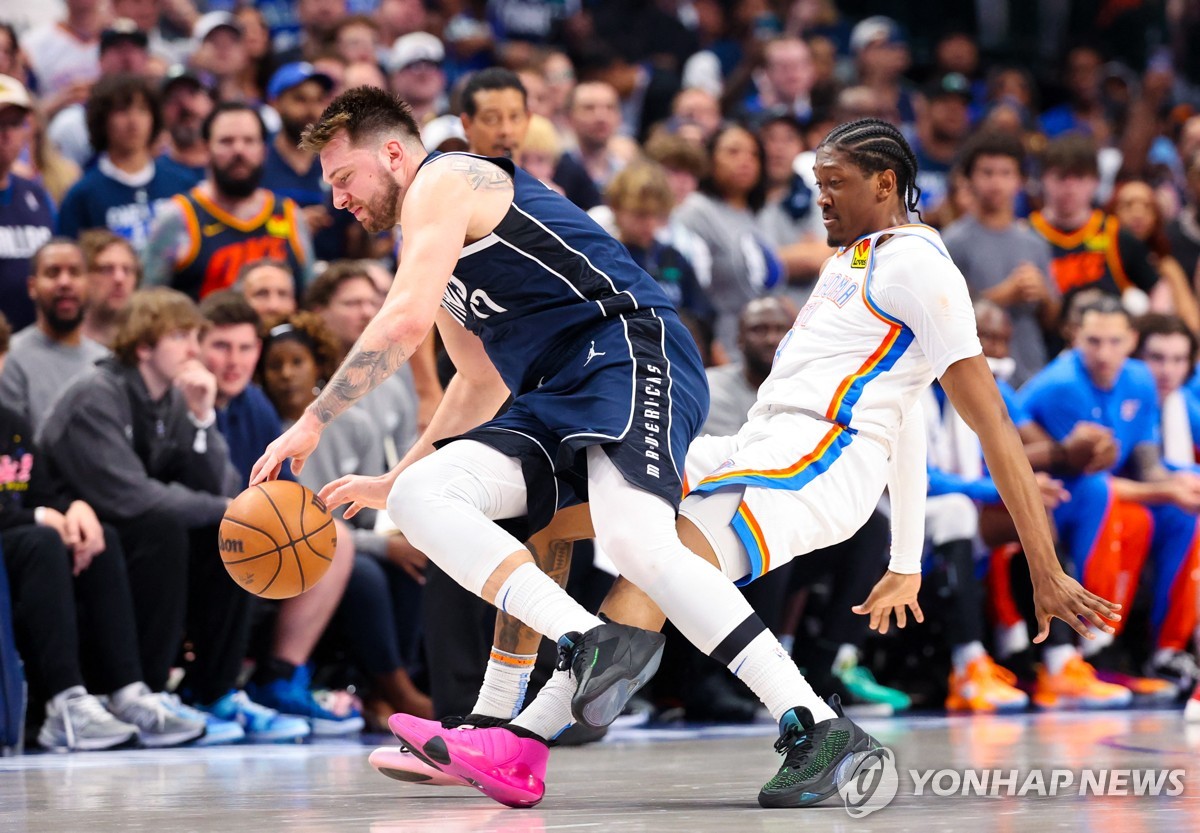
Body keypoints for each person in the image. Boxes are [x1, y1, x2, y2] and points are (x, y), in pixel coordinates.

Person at [263, 102, 1115, 808]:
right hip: (746, 442)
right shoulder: (855, 261)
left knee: (642, 555)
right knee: (557, 524)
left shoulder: (922, 268)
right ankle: (507, 732)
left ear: (888, 184)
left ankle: (813, 725)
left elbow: (970, 420)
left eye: (835, 186)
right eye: (815, 187)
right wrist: (399, 474)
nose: (819, 202)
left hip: (806, 455)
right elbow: (475, 381)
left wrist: (1018, 560)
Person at [39, 287, 309, 742]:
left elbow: (221, 487)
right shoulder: (96, 394)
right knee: (168, 527)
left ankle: (214, 691)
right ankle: (144, 689)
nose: (193, 349)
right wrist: (227, 508)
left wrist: (203, 417)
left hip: (130, 528)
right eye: (181, 336)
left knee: (236, 536)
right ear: (145, 346)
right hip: (79, 530)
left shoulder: (172, 397)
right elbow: (132, 496)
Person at [0, 311, 207, 751]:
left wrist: (73, 508)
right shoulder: (98, 394)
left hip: (22, 535)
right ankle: (64, 703)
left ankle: (127, 692)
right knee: (42, 540)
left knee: (101, 536)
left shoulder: (10, 424)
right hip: (17, 538)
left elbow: (40, 492)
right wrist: (40, 517)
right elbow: (33, 513)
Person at [1019, 296, 1200, 693]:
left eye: (1115, 341)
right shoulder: (1062, 386)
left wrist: (1178, 483)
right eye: (1094, 341)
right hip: (1057, 492)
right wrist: (1166, 490)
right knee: (1112, 503)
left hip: (1106, 488)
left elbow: (1148, 464)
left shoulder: (1139, 380)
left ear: (1131, 340)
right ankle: (1092, 645)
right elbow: (1083, 473)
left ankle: (1166, 651)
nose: (1105, 353)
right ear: (1074, 338)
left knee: (1183, 513)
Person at [143, 102, 314, 300]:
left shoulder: (289, 213)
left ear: (264, 150)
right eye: (226, 141)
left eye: (249, 141)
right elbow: (148, 305)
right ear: (206, 149)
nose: (239, 151)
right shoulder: (177, 216)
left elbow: (309, 297)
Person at [942, 130, 1056, 387]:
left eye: (1006, 173)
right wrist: (1005, 294)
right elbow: (944, 319)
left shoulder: (1035, 243)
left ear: (1020, 180)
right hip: (978, 380)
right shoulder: (952, 242)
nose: (996, 182)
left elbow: (1052, 320)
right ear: (968, 179)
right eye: (987, 172)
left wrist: (1044, 294)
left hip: (1032, 372)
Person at [56, 74, 196, 250]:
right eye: (122, 110)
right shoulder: (82, 196)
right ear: (102, 119)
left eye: (143, 110)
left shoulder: (183, 184)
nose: (133, 121)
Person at [0, 239, 108, 431]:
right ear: (32, 287)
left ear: (89, 285)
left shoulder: (106, 361)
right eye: (53, 273)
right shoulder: (9, 357)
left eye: (74, 272)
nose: (64, 282)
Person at [0, 75, 54, 333]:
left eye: (14, 123)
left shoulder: (36, 194)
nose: (6, 134)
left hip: (35, 344)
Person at [79, 230, 139, 348]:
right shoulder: (59, 342)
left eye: (127, 270)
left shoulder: (148, 345)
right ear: (83, 276)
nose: (119, 278)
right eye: (106, 269)